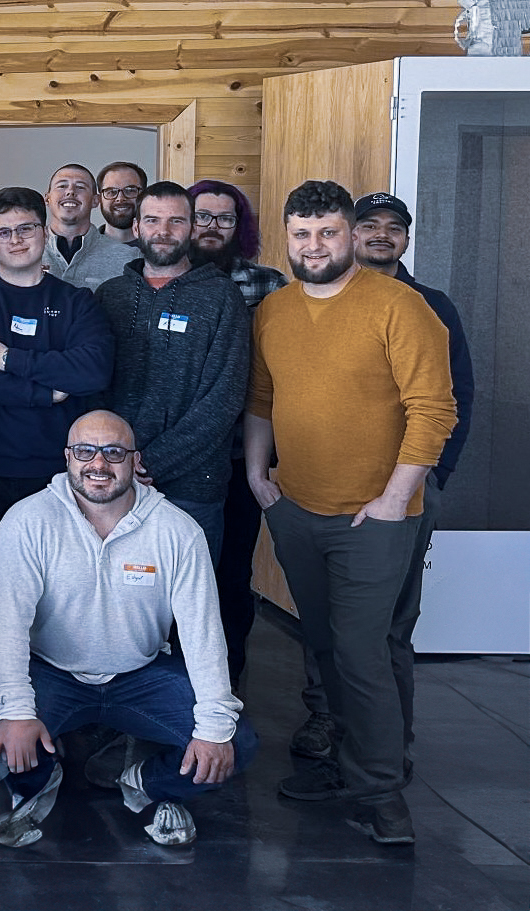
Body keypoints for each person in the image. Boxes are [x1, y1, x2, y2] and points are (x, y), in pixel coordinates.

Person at [250, 180, 455, 844]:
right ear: (287, 238)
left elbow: (434, 409)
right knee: (324, 645)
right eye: (302, 234)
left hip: (377, 516)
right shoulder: (273, 312)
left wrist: (396, 498)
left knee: (362, 651)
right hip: (296, 508)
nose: (314, 246)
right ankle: (350, 763)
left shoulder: (400, 306)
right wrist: (257, 474)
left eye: (328, 232)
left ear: (350, 235)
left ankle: (380, 792)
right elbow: (261, 397)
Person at [0, 411, 256, 848]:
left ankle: (149, 783)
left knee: (235, 743)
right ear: (67, 458)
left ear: (135, 460)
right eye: (84, 451)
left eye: (113, 452)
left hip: (140, 676)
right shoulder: (27, 521)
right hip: (55, 673)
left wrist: (213, 727)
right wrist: (17, 711)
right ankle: (41, 779)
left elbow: (204, 635)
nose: (98, 464)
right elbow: (5, 625)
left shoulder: (177, 531)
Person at [288, 192, 476, 766]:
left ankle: (384, 758)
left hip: (399, 497)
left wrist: (422, 482)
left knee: (381, 635)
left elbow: (449, 401)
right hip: (312, 499)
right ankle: (334, 727)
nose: (379, 236)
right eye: (369, 224)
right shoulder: (287, 307)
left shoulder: (421, 305)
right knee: (328, 630)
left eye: (391, 228)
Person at [0, 187, 113, 769]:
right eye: (4, 232)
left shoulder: (78, 301)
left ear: (44, 231)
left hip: (58, 481)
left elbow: (94, 368)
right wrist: (48, 391)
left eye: (25, 228)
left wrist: (11, 359)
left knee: (64, 600)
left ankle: (61, 718)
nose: (16, 240)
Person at [96, 181, 250, 559]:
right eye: (152, 220)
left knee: (188, 610)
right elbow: (95, 387)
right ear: (136, 228)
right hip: (113, 480)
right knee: (121, 608)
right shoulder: (110, 295)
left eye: (176, 221)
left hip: (193, 487)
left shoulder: (221, 296)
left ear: (191, 228)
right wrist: (117, 459)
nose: (163, 232)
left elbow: (224, 397)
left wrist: (149, 461)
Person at [186, 179, 287, 688]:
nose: (212, 227)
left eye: (225, 219)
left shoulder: (267, 286)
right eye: (202, 216)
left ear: (239, 227)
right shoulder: (151, 281)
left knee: (231, 575)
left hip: (237, 456)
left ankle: (227, 683)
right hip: (174, 456)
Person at [40, 164, 137, 291]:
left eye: (80, 187)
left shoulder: (130, 258)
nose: (70, 191)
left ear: (95, 201)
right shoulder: (23, 251)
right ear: (47, 199)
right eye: (62, 186)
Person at [97, 161, 148, 243]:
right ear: (99, 199)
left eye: (130, 190)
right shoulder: (82, 250)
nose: (120, 198)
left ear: (145, 197)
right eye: (111, 192)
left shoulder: (162, 250)